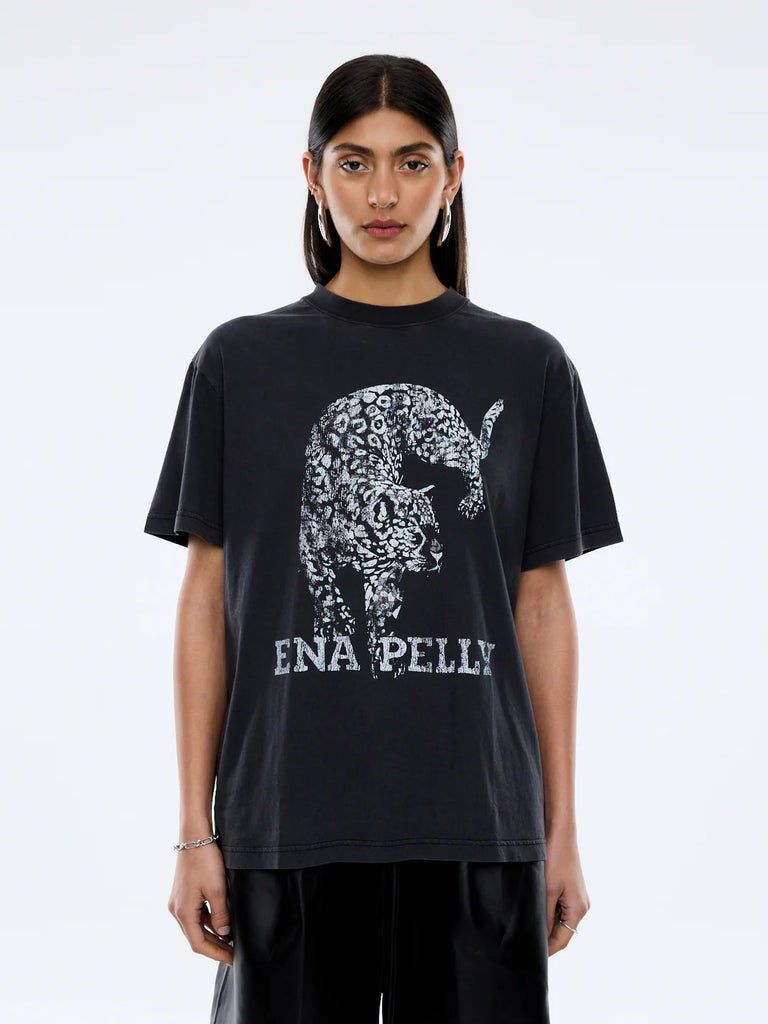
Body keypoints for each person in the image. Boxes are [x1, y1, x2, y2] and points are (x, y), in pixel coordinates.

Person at [143, 54, 624, 1024]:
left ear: (454, 175)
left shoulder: (528, 364)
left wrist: (562, 828)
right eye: (354, 163)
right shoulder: (238, 362)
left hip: (480, 826)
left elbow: (540, 602)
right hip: (285, 824)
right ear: (312, 175)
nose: (383, 194)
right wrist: (196, 831)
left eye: (412, 162)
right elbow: (206, 597)